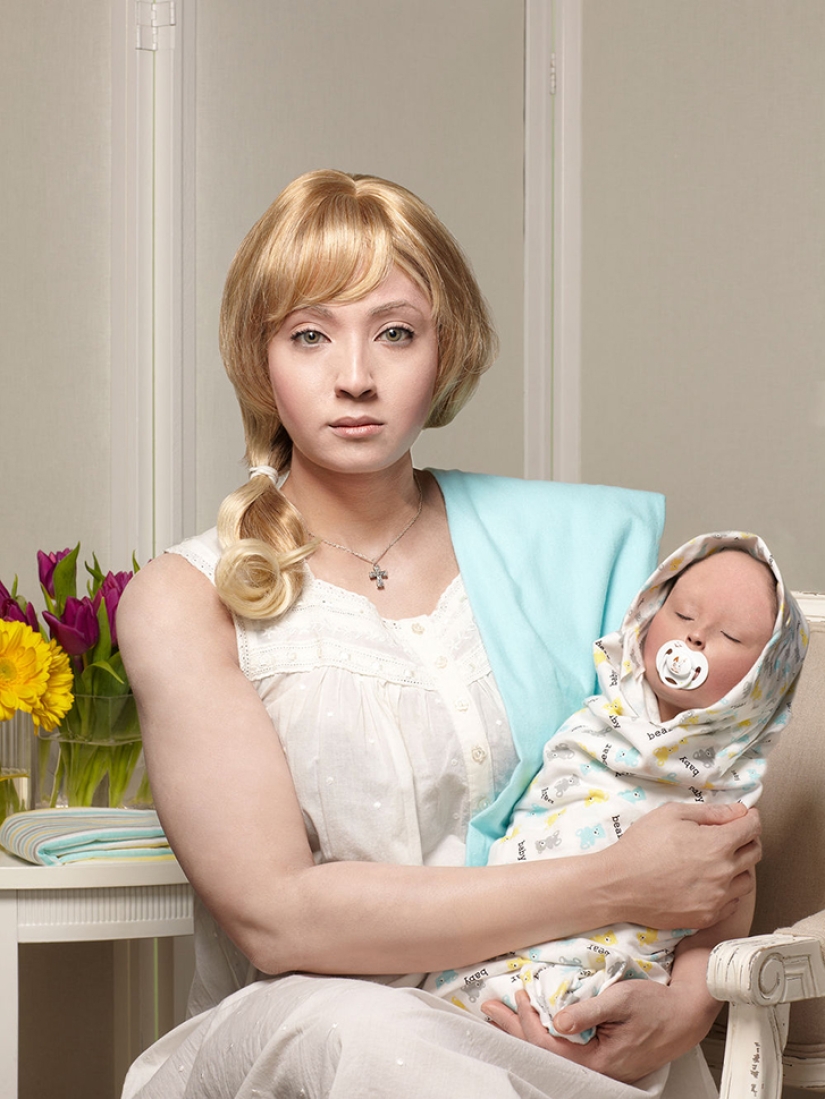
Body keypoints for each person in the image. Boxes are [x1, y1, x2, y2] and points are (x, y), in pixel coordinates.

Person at [117, 169, 764, 1099]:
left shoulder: (566, 550)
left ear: (443, 350)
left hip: (558, 1016)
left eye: (394, 332)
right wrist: (614, 883)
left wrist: (689, 1001)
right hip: (310, 1033)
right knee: (370, 1035)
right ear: (257, 358)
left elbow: (701, 793)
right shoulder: (186, 598)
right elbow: (281, 920)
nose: (354, 375)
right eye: (308, 335)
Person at [427, 534, 807, 1040]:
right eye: (684, 615)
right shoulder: (590, 721)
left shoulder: (727, 788)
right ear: (647, 616)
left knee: (579, 1021)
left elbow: (724, 905)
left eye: (731, 637)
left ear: (762, 685)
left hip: (604, 977)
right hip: (500, 933)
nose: (693, 639)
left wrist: (685, 1004)